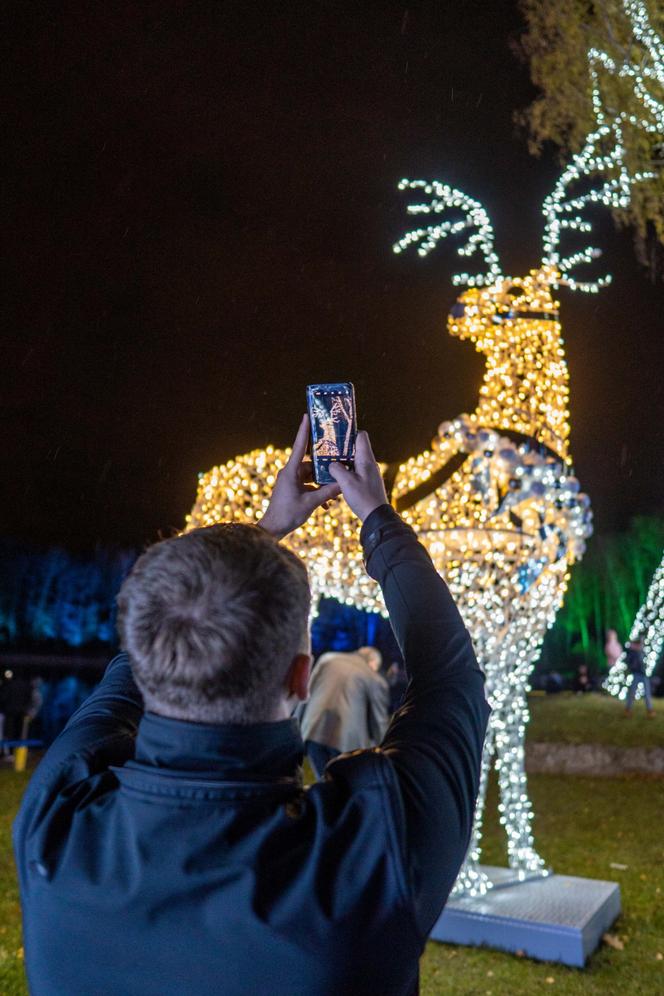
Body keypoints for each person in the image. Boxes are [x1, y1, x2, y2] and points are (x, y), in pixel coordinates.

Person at [13, 416, 490, 996]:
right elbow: (451, 676)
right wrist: (378, 519)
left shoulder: (56, 823)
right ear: (299, 677)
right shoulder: (373, 850)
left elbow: (450, 677)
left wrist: (266, 533)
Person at [299, 644, 390, 776]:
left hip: (313, 731)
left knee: (323, 781)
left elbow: (307, 694)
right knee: (343, 788)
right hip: (346, 742)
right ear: (373, 663)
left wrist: (298, 728)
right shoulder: (372, 677)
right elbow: (379, 720)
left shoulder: (328, 659)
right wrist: (384, 751)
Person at [624, 635, 654, 718]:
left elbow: (644, 663)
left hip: (644, 675)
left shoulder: (642, 652)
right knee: (632, 692)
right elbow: (630, 662)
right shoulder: (633, 653)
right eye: (640, 643)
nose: (642, 645)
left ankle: (650, 710)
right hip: (636, 674)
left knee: (647, 693)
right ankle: (627, 709)